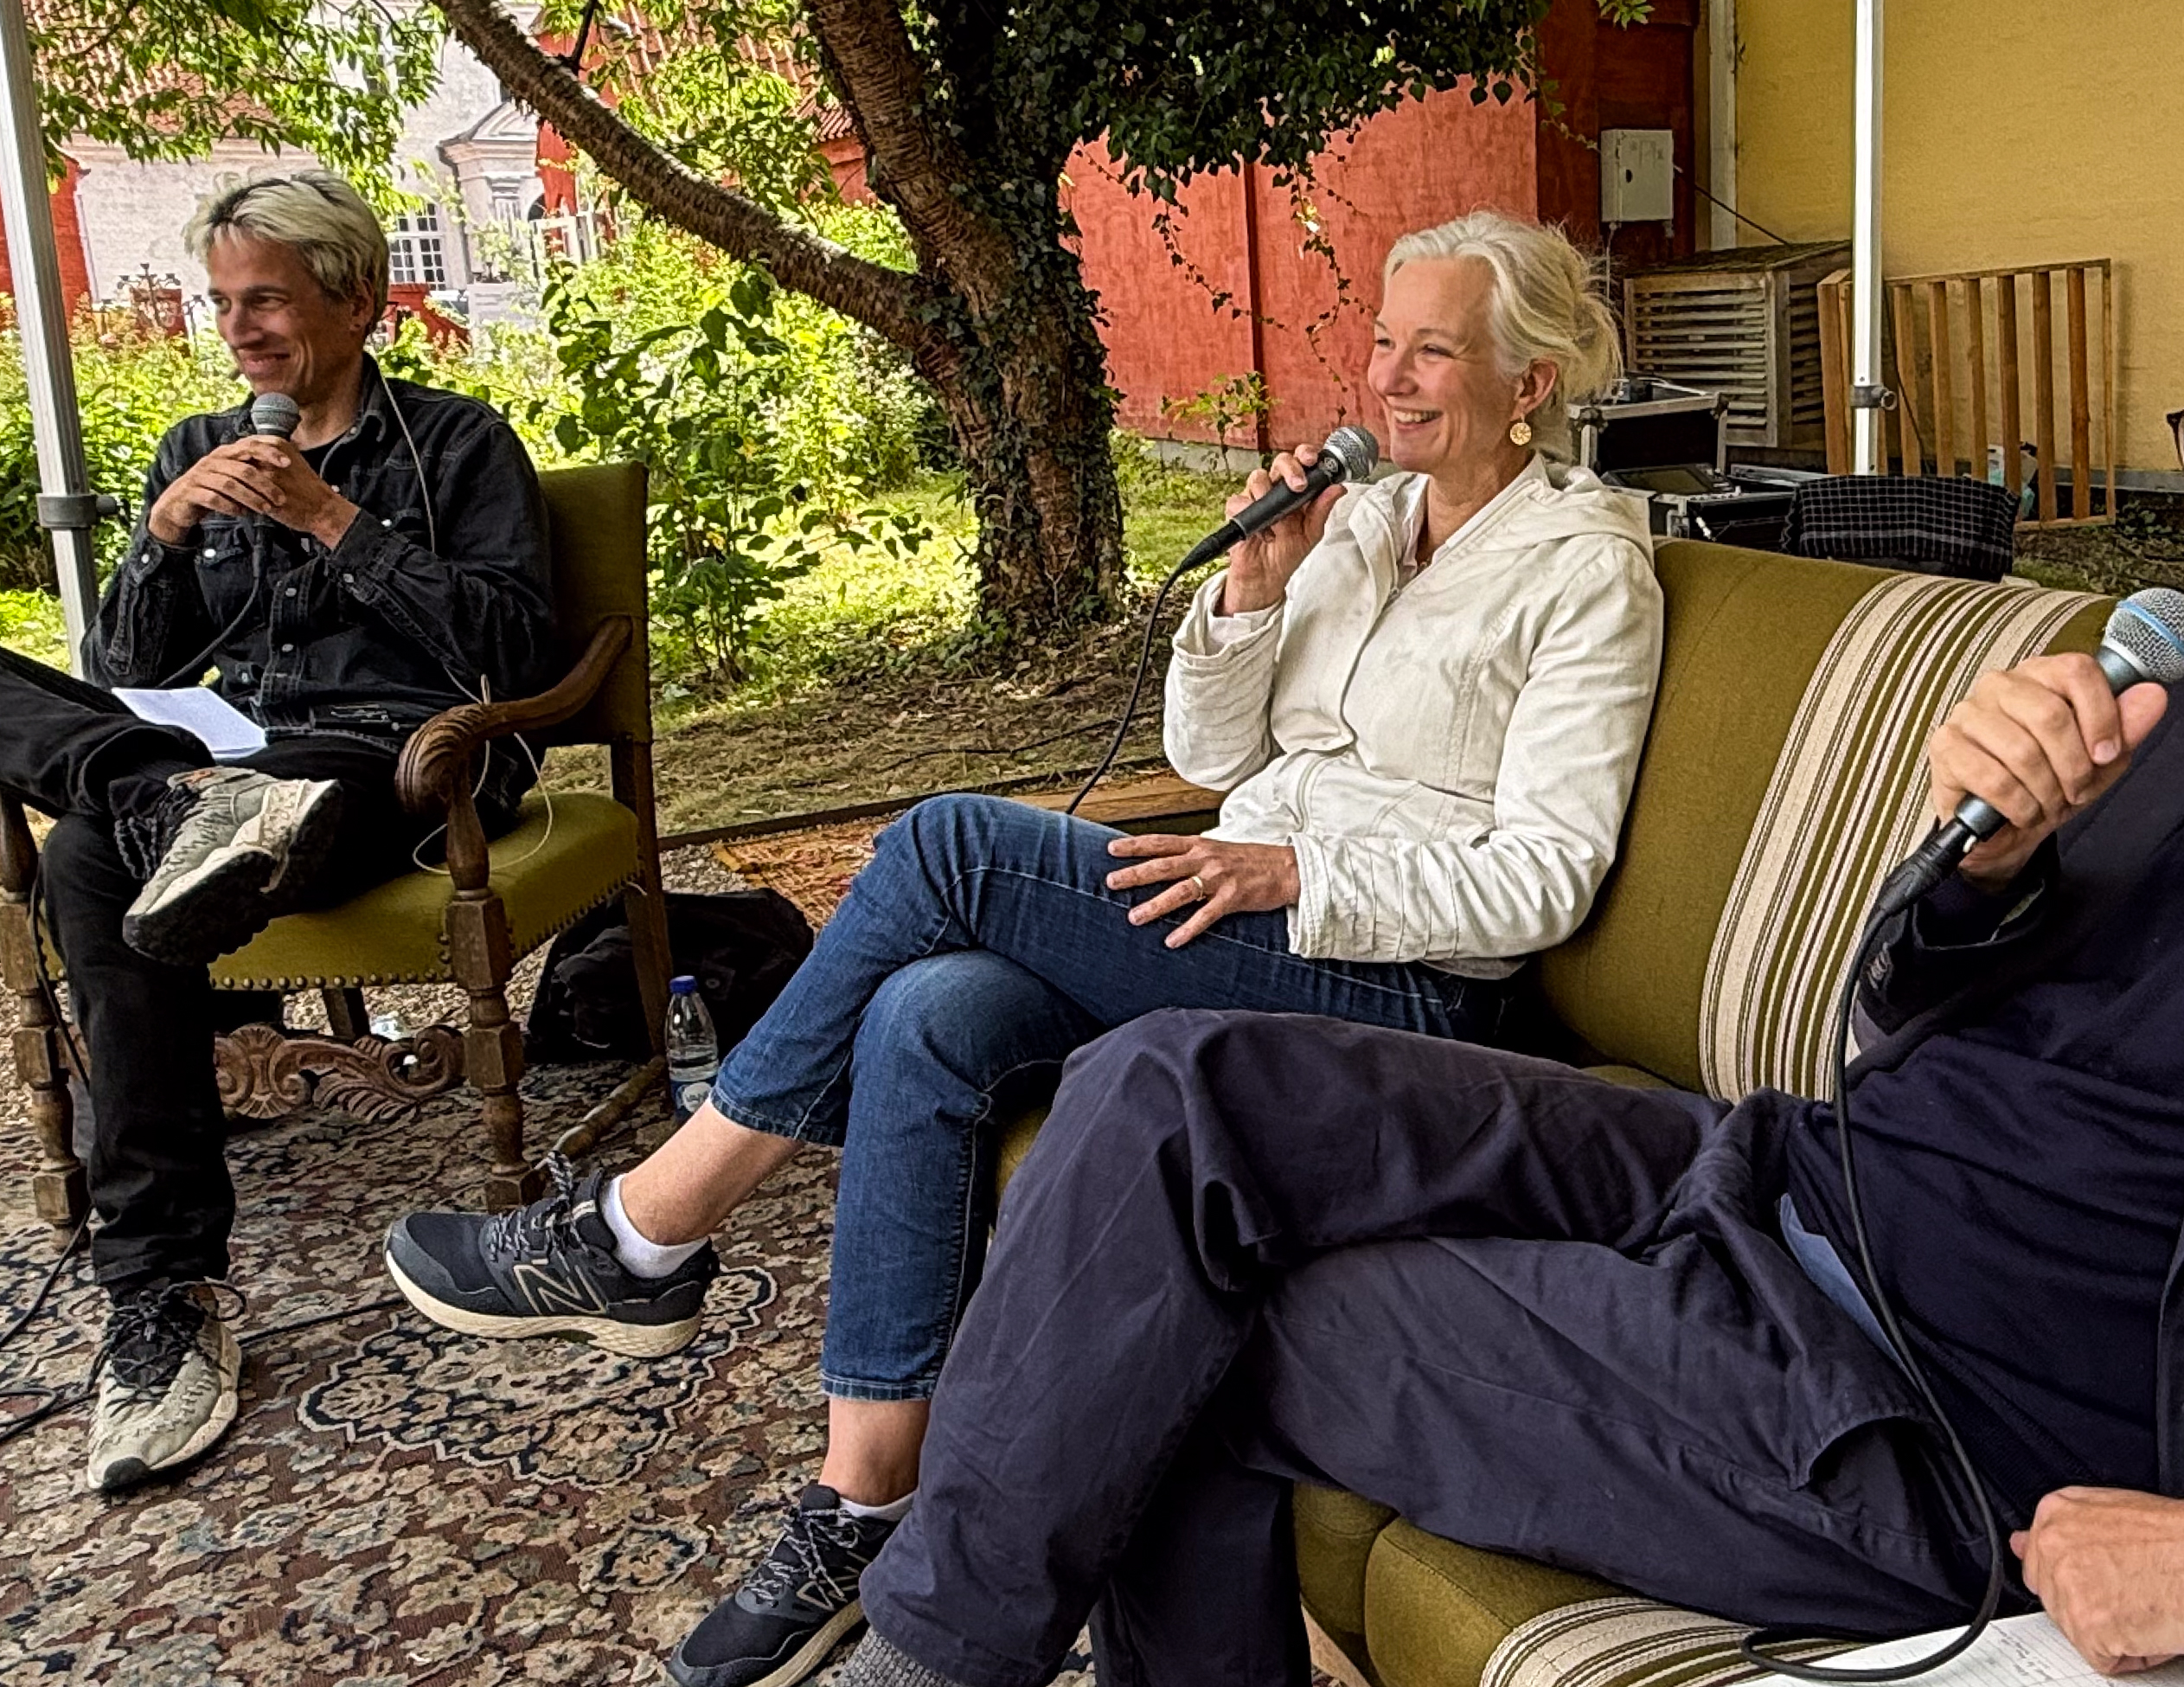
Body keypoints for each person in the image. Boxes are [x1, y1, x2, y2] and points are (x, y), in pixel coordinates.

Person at [802, 157, 2184, 1687]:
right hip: (1769, 1175)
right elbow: (1913, 1023)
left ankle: (931, 1654)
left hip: (1933, 1418)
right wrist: (1986, 872)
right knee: (1172, 1090)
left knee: (1200, 1321)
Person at [380, 209, 1666, 1687]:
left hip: (1398, 983)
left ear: (1531, 382)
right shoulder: (1364, 522)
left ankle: (640, 1231)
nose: (1386, 378)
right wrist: (1254, 589)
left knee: (947, 847)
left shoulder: (1586, 571)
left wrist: (1297, 871)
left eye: (1433, 351)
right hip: (1246, 908)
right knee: (930, 1011)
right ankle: (863, 1500)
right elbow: (1210, 752)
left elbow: (1546, 880)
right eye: (1382, 341)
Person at [0, 168, 554, 1494]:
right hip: (207, 754)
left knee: (80, 853)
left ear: (358, 298)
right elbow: (124, 665)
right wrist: (164, 537)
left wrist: (332, 520)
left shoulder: (460, 445)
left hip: (388, 760)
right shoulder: (192, 448)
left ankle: (159, 1285)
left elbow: (517, 652)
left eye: (266, 299)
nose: (238, 328)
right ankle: (154, 794)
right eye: (222, 302)